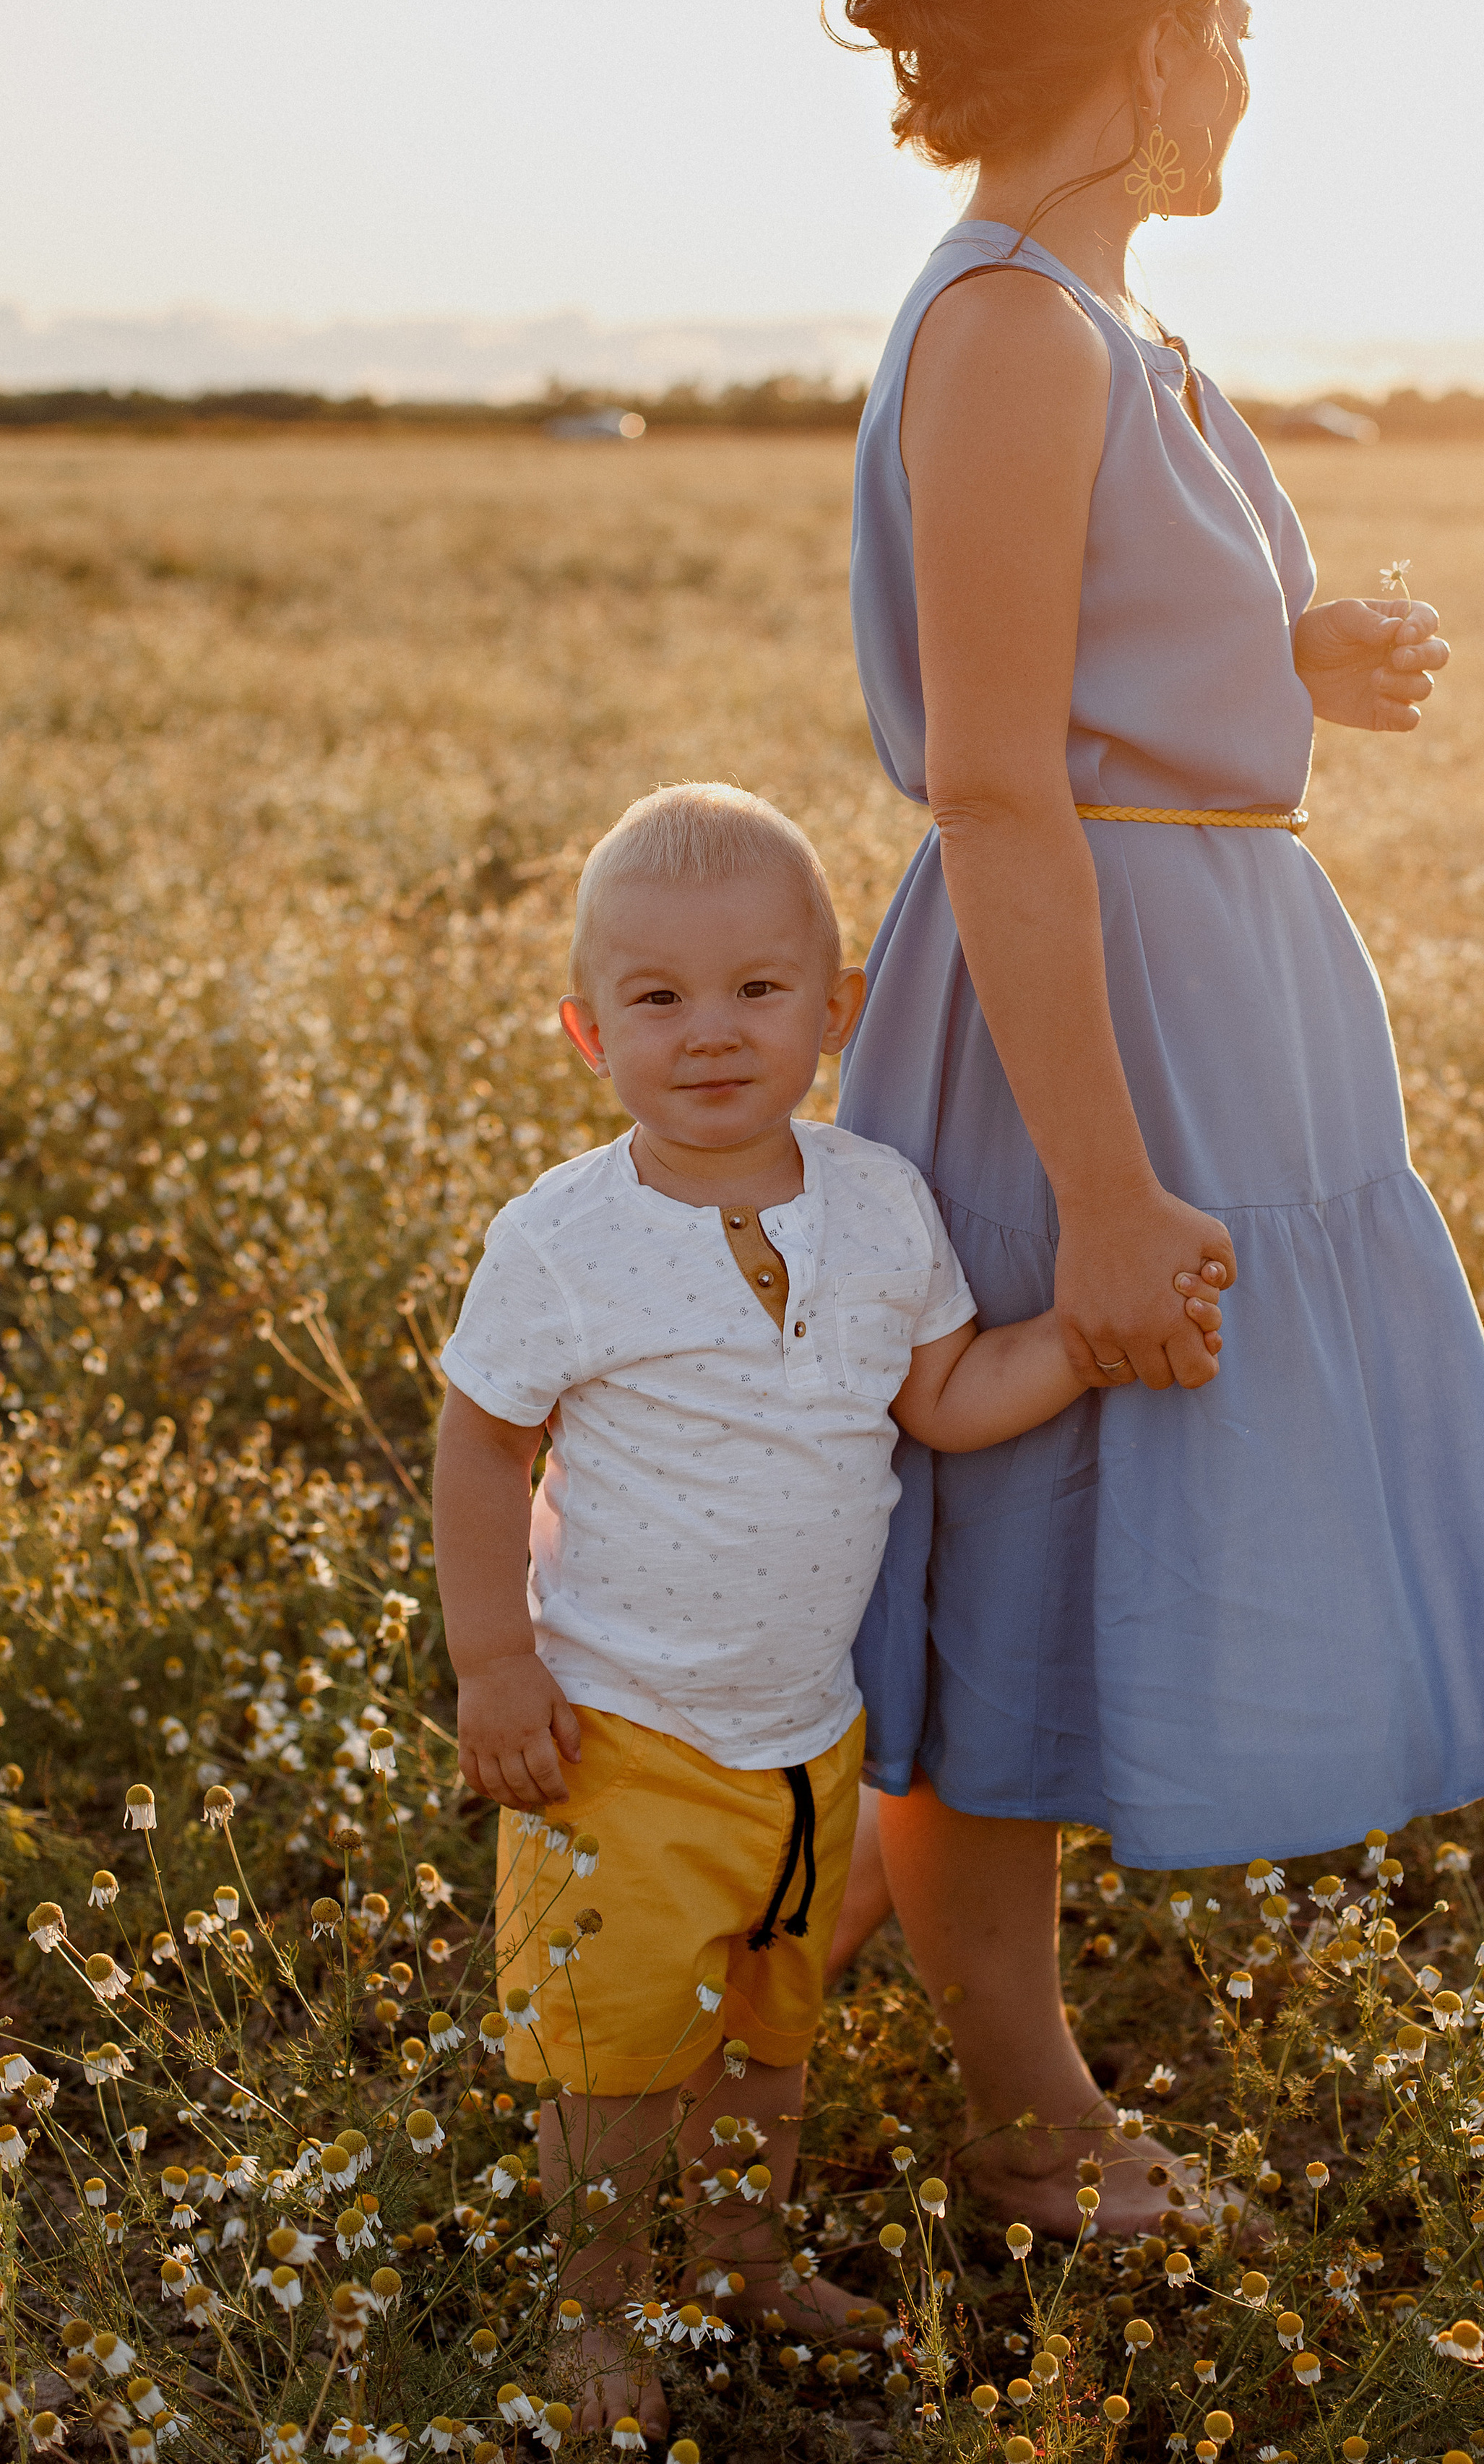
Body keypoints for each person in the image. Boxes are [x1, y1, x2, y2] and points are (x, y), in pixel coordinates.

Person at [831, 0, 1484, 2236]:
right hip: (1089, 1021)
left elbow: (1096, 685)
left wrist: (1288, 662)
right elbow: (1000, 784)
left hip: (1192, 978)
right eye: (1233, 22)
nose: (1249, 68)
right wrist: (1115, 1189)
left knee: (1077, 1515)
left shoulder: (1098, 322)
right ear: (1153, 47)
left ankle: (789, 2021)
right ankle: (1024, 2128)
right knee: (1017, 1520)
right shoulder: (1017, 330)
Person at [431, 780, 1222, 2438]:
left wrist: (1076, 1342)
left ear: (836, 1009)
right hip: (618, 1738)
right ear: (586, 1028)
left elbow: (937, 1395)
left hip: (804, 1736)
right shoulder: (564, 1239)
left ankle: (736, 2265)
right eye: (655, 999)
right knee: (612, 2068)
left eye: (756, 991)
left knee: (760, 2049)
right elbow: (486, 1443)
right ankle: (595, 2313)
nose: (708, 1033)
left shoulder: (876, 1201)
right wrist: (495, 1660)